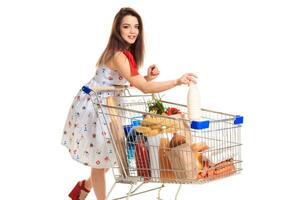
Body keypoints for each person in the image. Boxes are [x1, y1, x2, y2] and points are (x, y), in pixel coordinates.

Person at [62, 7, 197, 200]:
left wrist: (147, 78)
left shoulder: (123, 53)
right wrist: (176, 81)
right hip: (96, 107)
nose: (132, 31)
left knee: (108, 155)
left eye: (136, 27)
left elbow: (122, 84)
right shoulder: (118, 55)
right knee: (101, 161)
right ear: (117, 29)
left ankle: (83, 187)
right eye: (126, 26)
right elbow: (143, 88)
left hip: (107, 103)